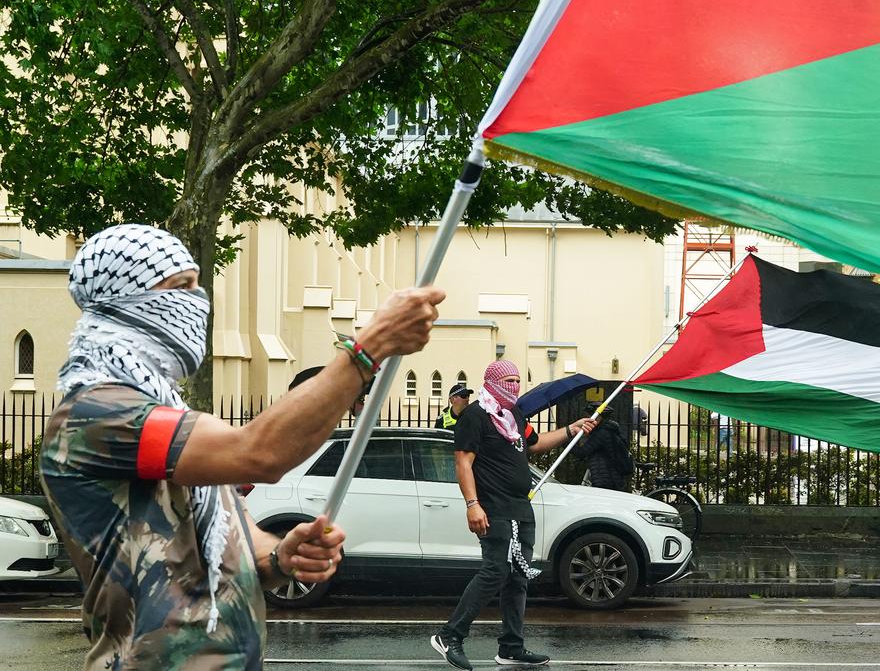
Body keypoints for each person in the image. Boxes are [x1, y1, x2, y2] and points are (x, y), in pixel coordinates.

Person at [39, 224, 444, 670]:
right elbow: (259, 453)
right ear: (123, 300)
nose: (198, 300)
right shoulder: (96, 415)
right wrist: (369, 349)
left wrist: (282, 557)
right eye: (180, 287)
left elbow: (243, 545)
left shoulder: (167, 413)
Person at [431, 360, 598, 670]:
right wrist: (472, 504)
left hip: (521, 507)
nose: (515, 386)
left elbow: (534, 444)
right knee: (495, 570)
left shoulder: (514, 415)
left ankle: (512, 647)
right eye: (509, 380)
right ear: (492, 381)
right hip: (493, 507)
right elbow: (463, 464)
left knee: (517, 578)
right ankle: (449, 635)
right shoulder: (475, 416)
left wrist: (570, 429)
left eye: (518, 381)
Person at [571, 407, 634, 492]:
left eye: (588, 417)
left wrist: (563, 440)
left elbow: (581, 452)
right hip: (613, 478)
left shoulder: (602, 433)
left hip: (605, 480)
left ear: (597, 417)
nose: (585, 421)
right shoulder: (611, 430)